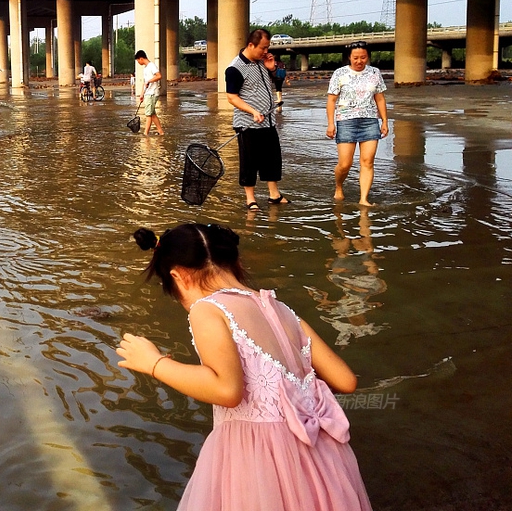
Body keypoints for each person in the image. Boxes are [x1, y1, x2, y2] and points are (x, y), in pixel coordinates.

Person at [117, 223, 372, 511]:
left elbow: (226, 390)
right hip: (321, 455)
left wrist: (155, 363)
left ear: (178, 276)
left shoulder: (208, 309)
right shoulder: (282, 309)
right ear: (235, 262)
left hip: (259, 456)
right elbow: (346, 380)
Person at [225, 28, 288, 211]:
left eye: (267, 47)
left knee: (273, 159)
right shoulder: (234, 68)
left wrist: (272, 68)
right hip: (248, 124)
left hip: (268, 120)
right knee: (249, 162)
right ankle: (250, 199)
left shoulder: (262, 62)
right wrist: (252, 111)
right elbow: (232, 97)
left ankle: (274, 195)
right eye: (263, 48)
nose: (266, 51)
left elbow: (277, 81)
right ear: (251, 45)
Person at [326, 41, 388, 206]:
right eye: (356, 58)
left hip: (370, 121)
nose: (359, 61)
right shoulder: (339, 74)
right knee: (345, 164)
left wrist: (385, 121)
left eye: (363, 57)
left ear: (368, 57)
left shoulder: (375, 72)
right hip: (346, 122)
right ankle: (339, 186)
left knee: (367, 161)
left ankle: (363, 199)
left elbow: (380, 98)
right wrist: (331, 124)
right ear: (349, 58)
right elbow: (331, 100)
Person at [134, 50, 164, 136]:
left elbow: (159, 76)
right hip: (147, 93)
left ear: (141, 58)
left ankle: (145, 134)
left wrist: (149, 81)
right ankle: (161, 132)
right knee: (152, 114)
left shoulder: (152, 66)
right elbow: (145, 82)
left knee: (148, 114)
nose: (138, 62)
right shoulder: (146, 68)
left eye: (138, 61)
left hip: (152, 93)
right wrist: (142, 94)